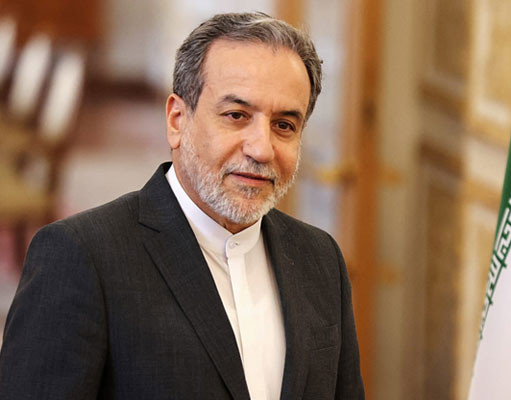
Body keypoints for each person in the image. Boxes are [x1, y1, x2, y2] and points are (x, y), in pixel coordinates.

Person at [0, 12, 364, 400]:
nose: (261, 149)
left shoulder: (321, 259)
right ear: (177, 120)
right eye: (236, 116)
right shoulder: (80, 258)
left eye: (284, 125)